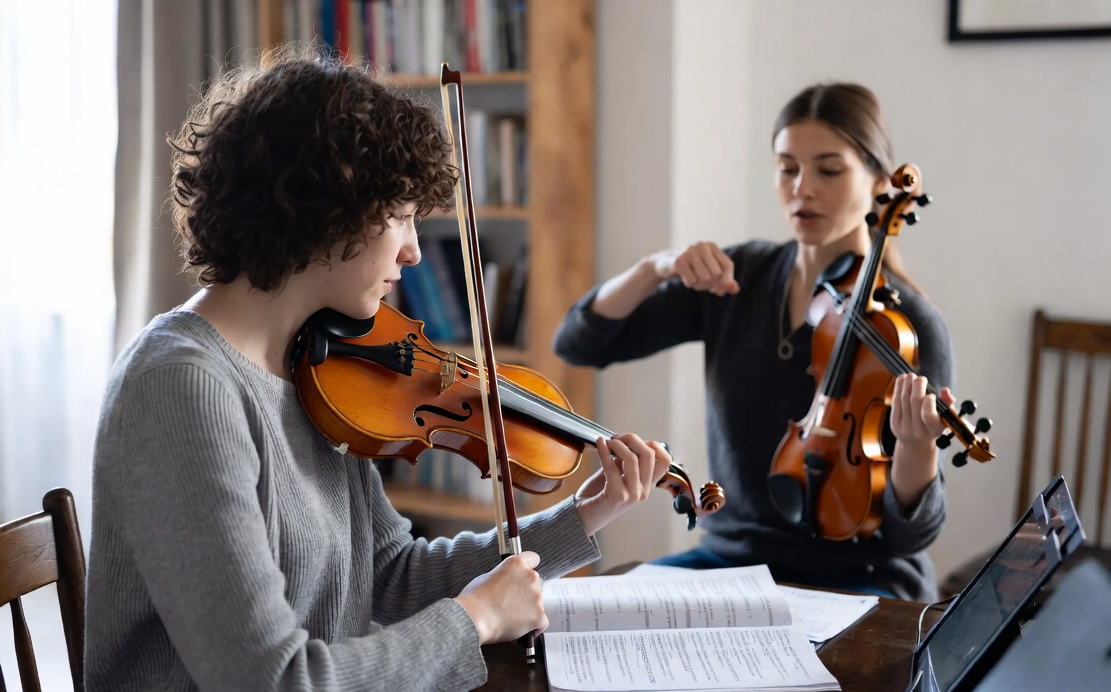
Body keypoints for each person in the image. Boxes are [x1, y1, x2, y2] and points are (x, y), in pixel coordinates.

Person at [84, 50, 671, 691]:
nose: (414, 251)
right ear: (324, 207)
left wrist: (585, 514)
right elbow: (273, 681)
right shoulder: (181, 387)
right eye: (401, 217)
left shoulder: (318, 368)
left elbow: (390, 572)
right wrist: (474, 619)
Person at [552, 82, 955, 602]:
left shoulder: (908, 326)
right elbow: (579, 344)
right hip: (731, 564)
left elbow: (910, 537)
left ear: (880, 181)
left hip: (861, 577)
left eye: (829, 170)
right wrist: (654, 268)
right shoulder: (739, 279)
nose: (802, 188)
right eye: (788, 168)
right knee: (581, 618)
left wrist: (918, 447)